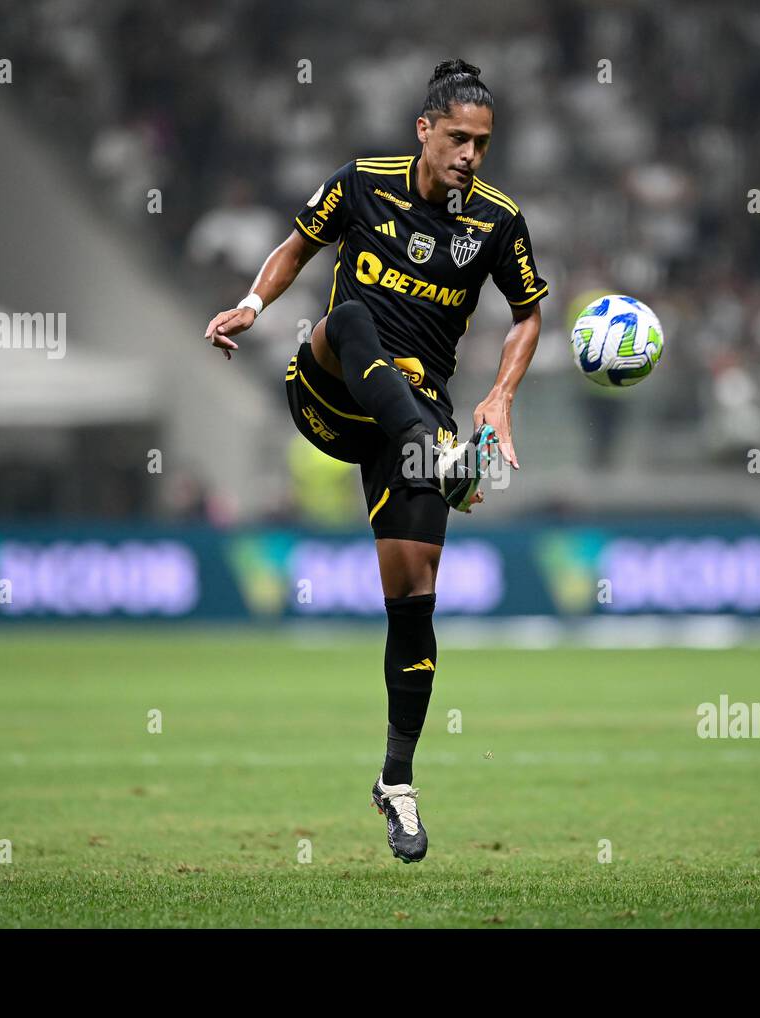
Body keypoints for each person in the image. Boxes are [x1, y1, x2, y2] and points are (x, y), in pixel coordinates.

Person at [202, 60, 548, 861]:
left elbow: (529, 316)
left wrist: (499, 396)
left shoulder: (497, 222)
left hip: (413, 418)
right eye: (457, 137)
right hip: (330, 389)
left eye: (482, 143)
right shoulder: (361, 182)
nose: (469, 154)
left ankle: (397, 783)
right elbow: (296, 248)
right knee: (350, 314)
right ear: (424, 130)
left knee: (414, 597)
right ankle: (442, 456)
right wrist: (253, 306)